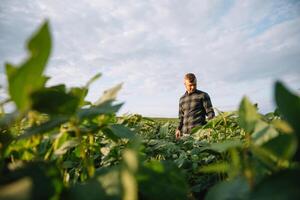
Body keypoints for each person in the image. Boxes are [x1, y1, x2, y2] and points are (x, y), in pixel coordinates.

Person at [176, 73, 215, 139]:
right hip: (185, 134)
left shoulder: (203, 95)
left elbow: (210, 113)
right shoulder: (182, 99)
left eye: (195, 84)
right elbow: (181, 117)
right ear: (185, 84)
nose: (193, 87)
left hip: (199, 134)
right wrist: (178, 129)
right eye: (190, 85)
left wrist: (210, 129)